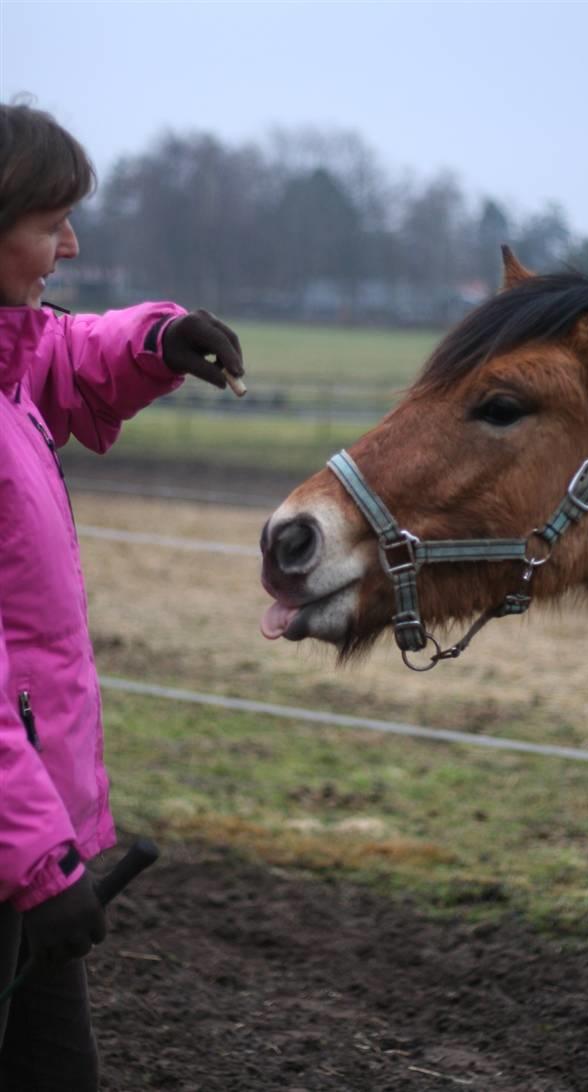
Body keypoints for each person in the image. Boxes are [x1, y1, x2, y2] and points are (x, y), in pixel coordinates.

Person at [0, 102, 245, 1091]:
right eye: (49, 220)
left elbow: (56, 355)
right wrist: (40, 865)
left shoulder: (10, 364)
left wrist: (158, 337)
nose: (71, 243)